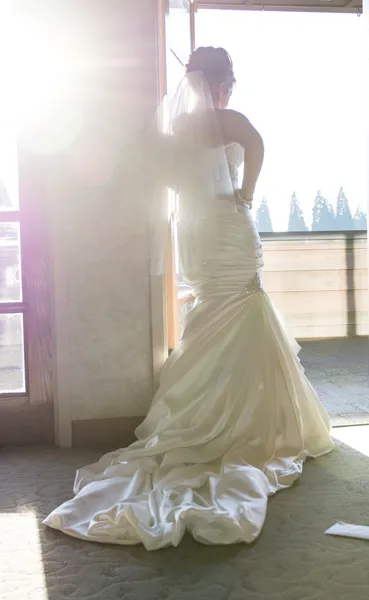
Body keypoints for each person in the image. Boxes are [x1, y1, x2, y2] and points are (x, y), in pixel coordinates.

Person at [43, 47, 335, 550]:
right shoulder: (229, 118)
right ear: (220, 83)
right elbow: (257, 143)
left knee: (216, 307)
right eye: (228, 85)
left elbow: (165, 177)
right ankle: (253, 421)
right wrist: (246, 192)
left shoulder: (177, 130)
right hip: (227, 225)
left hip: (197, 235)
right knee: (244, 302)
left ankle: (211, 412)